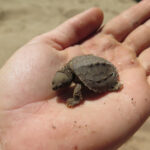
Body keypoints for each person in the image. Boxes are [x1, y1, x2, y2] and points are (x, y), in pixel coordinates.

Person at [0, 0, 150, 150]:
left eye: (58, 85)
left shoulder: (76, 82)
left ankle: (113, 85)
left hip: (103, 70)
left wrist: (75, 99)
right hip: (92, 63)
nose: (55, 87)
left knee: (107, 86)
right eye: (56, 84)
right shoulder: (70, 64)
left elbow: (78, 91)